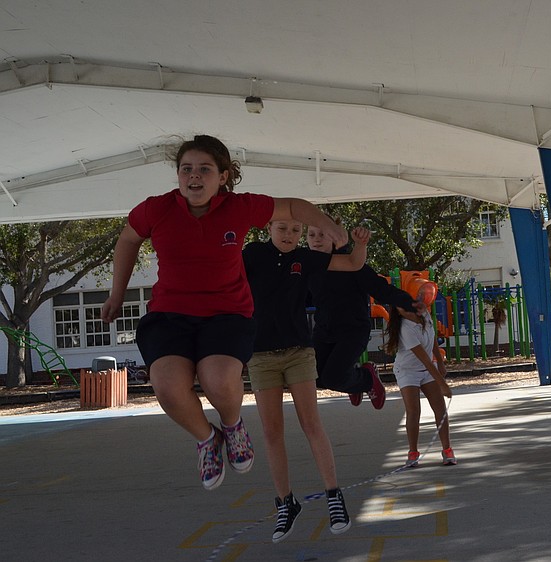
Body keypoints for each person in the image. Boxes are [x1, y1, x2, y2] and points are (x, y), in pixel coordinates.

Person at [100, 134, 347, 493]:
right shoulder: (157, 209)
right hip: (170, 314)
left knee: (217, 379)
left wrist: (329, 226)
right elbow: (128, 239)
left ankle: (232, 426)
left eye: (204, 169)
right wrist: (116, 294)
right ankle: (207, 438)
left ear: (223, 176)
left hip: (226, 314)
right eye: (186, 169)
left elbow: (294, 207)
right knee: (167, 387)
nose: (194, 176)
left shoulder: (239, 207)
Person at [242, 220, 369, 542]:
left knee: (311, 424)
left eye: (295, 230)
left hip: (298, 352)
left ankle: (333, 495)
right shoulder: (253, 254)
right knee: (272, 432)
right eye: (282, 228)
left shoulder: (305, 258)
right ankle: (286, 502)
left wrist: (360, 243)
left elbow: (353, 263)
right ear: (269, 228)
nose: (289, 235)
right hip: (261, 356)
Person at [305, 222, 419, 409]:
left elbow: (379, 288)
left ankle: (367, 378)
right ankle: (354, 381)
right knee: (315, 377)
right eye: (311, 235)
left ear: (334, 238)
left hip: (353, 330)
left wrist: (409, 302)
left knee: (333, 378)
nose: (316, 239)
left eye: (322, 235)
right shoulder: (309, 267)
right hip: (324, 331)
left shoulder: (351, 263)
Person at [384, 302, 457, 467]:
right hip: (407, 371)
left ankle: (447, 450)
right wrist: (443, 384)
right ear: (399, 312)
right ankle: (413, 452)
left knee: (440, 408)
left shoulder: (425, 316)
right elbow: (424, 358)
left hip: (427, 369)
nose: (408, 310)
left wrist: (441, 362)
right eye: (402, 307)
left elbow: (433, 340)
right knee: (413, 411)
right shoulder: (405, 328)